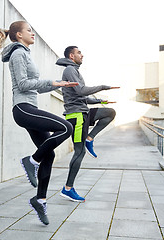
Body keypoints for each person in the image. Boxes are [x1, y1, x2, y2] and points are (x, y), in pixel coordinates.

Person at [0, 21, 78, 225]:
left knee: (48, 153)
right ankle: (31, 161)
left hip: (29, 106)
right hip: (23, 109)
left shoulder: (24, 53)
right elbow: (22, 84)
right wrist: (52, 82)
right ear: (19, 35)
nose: (32, 33)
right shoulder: (18, 54)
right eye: (29, 30)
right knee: (66, 127)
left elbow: (35, 88)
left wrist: (56, 85)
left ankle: (39, 200)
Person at [56, 46, 118, 202]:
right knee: (79, 152)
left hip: (83, 113)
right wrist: (102, 87)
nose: (82, 55)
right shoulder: (70, 69)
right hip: (76, 116)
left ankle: (90, 139)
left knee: (110, 112)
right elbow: (81, 91)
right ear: (71, 56)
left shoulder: (75, 71)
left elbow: (82, 98)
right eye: (79, 53)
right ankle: (68, 189)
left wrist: (100, 100)